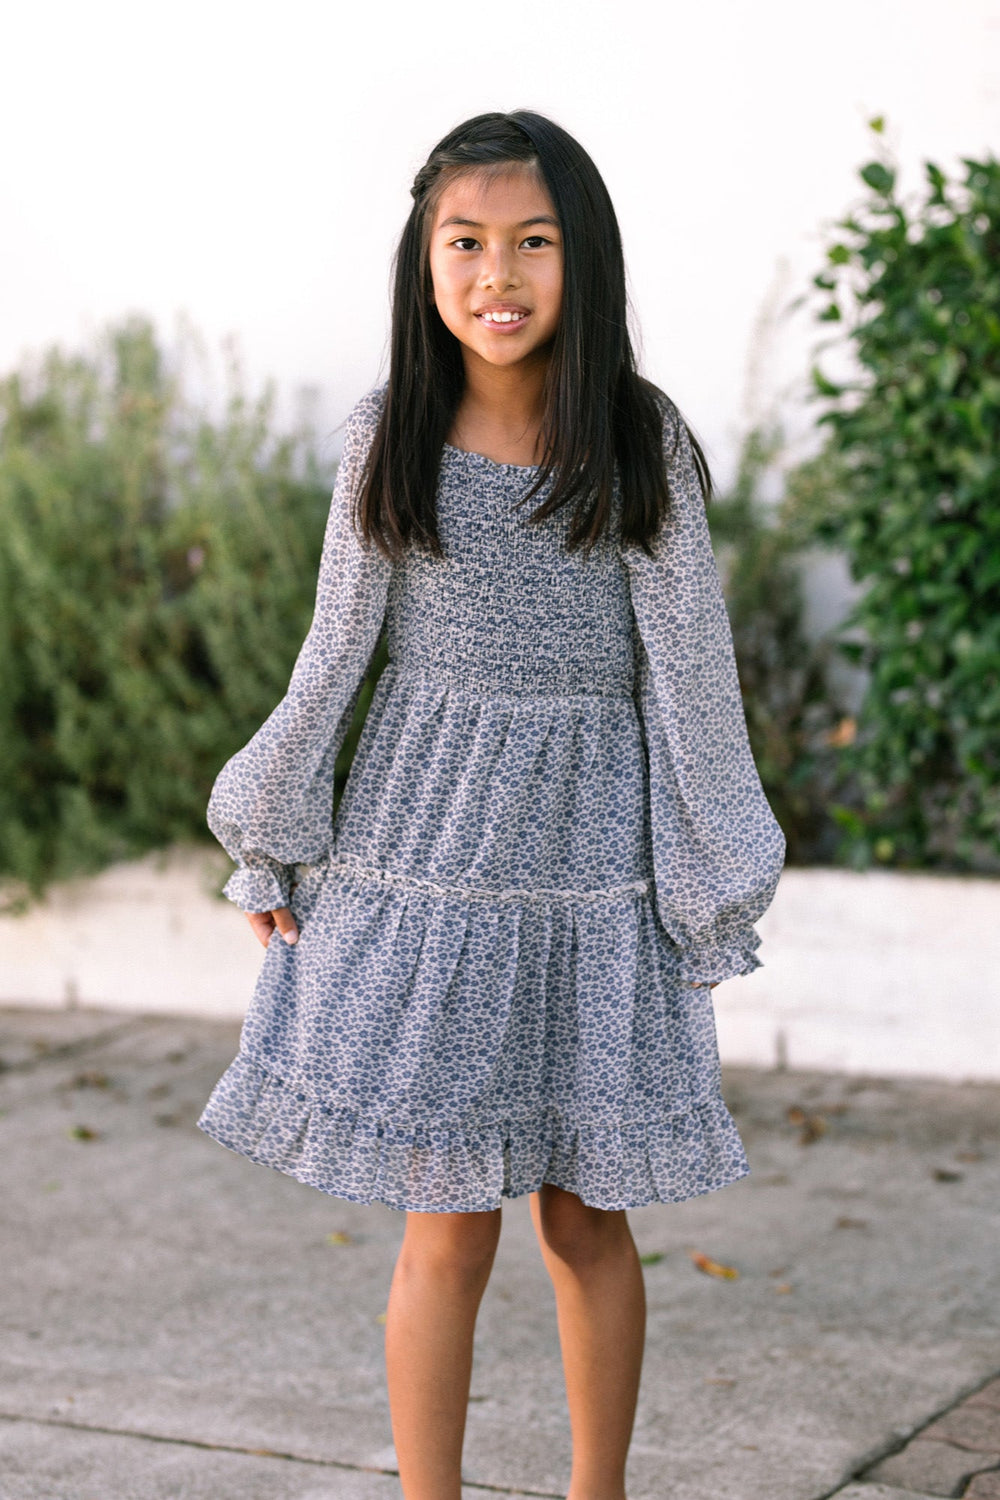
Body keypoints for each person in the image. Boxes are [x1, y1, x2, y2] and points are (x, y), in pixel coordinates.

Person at [197, 109, 786, 1500]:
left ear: (584, 260)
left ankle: (598, 1492)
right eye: (464, 243)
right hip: (424, 859)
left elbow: (693, 681)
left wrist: (711, 886)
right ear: (423, 261)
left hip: (596, 874)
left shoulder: (640, 444)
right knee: (444, 1223)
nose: (497, 276)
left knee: (586, 1216)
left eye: (533, 243)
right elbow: (333, 653)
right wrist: (273, 832)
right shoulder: (388, 436)